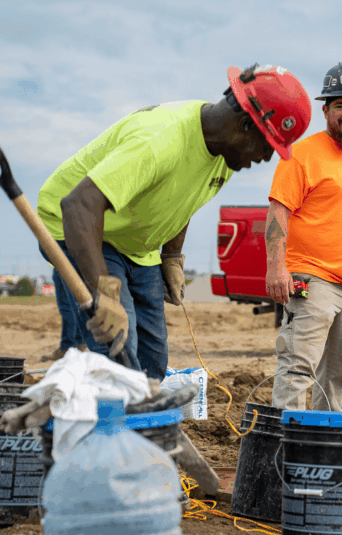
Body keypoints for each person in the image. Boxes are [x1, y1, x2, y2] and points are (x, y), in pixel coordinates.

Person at [37, 63, 311, 380]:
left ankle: (147, 424)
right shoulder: (160, 139)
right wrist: (104, 291)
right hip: (80, 226)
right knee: (118, 348)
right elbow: (78, 206)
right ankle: (106, 422)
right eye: (267, 147)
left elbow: (182, 200)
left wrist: (171, 258)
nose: (265, 158)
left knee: (152, 356)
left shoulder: (224, 153)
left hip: (134, 242)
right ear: (245, 126)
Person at [265, 61, 342, 412]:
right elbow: (278, 212)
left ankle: (321, 448)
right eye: (340, 105)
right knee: (298, 367)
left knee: (336, 376)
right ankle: (286, 448)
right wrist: (277, 269)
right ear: (326, 111)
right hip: (313, 281)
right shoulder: (301, 155)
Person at [40, 268, 87, 362]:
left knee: (67, 306)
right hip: (75, 261)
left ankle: (67, 347)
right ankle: (78, 343)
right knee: (76, 304)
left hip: (63, 260)